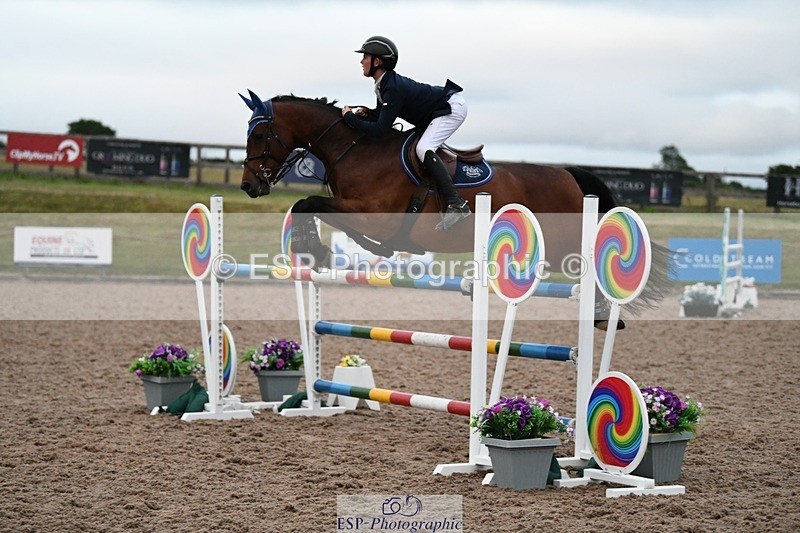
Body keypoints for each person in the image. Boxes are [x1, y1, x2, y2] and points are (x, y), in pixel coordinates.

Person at [342, 36, 471, 231]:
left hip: (450, 107)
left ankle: (457, 204)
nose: (361, 61)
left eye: (365, 57)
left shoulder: (392, 87)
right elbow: (381, 117)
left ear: (377, 62)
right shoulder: (384, 85)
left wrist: (350, 119)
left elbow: (380, 130)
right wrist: (367, 113)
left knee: (423, 148)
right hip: (437, 109)